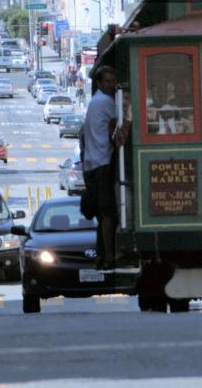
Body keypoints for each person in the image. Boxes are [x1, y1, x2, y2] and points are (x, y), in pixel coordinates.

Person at [83, 65, 129, 270]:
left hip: (93, 163)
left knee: (103, 215)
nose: (112, 84)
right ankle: (110, 256)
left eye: (113, 80)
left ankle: (102, 256)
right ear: (100, 84)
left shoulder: (95, 101)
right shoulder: (105, 102)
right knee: (108, 213)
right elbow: (127, 115)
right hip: (102, 163)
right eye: (108, 81)